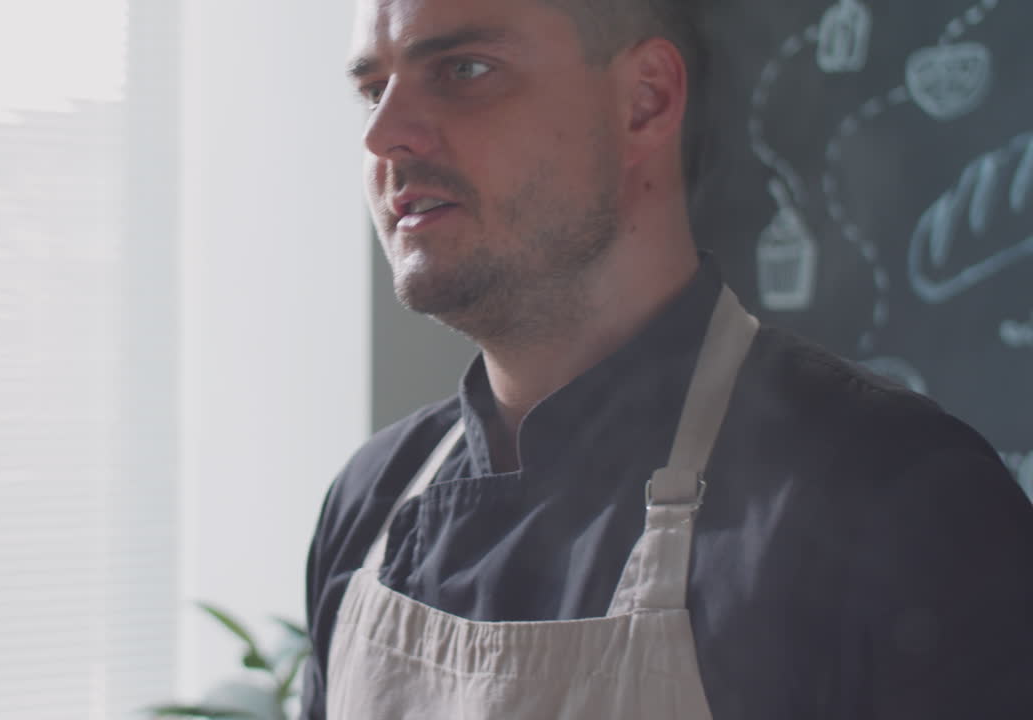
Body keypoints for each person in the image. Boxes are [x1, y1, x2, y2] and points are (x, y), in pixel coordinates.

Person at [300, 0, 1033, 717]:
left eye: (465, 69)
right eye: (371, 90)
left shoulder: (898, 499)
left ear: (645, 101)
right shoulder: (369, 502)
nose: (385, 135)